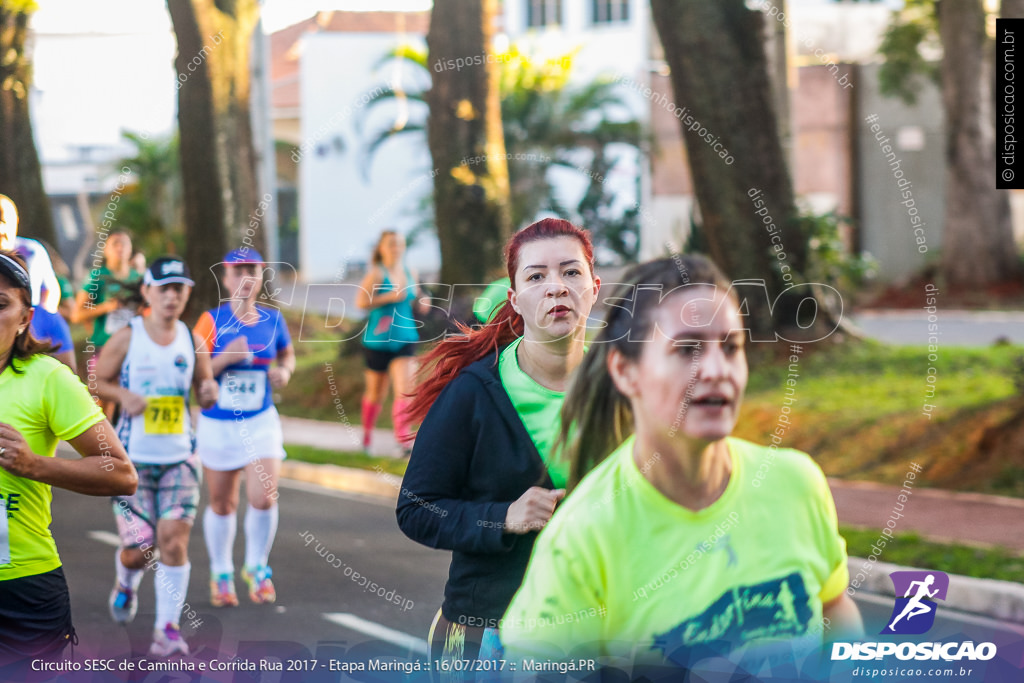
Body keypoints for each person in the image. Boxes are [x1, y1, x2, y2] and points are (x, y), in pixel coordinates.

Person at [501, 256, 864, 672]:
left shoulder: (795, 483)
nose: (715, 370)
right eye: (688, 349)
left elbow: (836, 610)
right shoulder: (582, 537)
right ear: (625, 371)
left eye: (731, 348)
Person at [396, 218, 601, 668]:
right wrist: (501, 518)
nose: (556, 288)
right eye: (536, 276)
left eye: (571, 272)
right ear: (515, 299)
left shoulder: (620, 393)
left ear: (594, 287)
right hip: (486, 635)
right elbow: (415, 508)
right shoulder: (474, 392)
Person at [0, 250, 137, 666]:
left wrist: (34, 464)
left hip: (21, 589)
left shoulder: (47, 379)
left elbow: (121, 474)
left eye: (1, 305)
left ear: (25, 317)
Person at [93, 256, 218, 657]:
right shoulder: (128, 337)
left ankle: (167, 630)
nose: (172, 296)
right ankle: (126, 582)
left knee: (173, 541)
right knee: (140, 549)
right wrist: (121, 395)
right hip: (130, 462)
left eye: (179, 289)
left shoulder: (190, 338)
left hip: (181, 457)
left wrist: (210, 393)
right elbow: (95, 380)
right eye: (164, 288)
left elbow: (204, 385)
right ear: (147, 291)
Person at [193, 248, 295, 607]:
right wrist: (225, 360)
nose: (244, 277)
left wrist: (284, 371)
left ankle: (257, 566)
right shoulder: (210, 321)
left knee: (264, 496)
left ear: (261, 274)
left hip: (260, 420)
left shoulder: (272, 319)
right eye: (237, 271)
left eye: (251, 269)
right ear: (226, 278)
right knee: (222, 503)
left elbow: (287, 354)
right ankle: (221, 572)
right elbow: (196, 374)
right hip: (219, 423)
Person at [356, 231, 428, 456]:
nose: (396, 247)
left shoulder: (410, 272)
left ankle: (403, 441)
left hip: (405, 338)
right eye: (391, 244)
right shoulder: (377, 274)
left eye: (399, 243)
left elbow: (416, 297)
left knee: (405, 390)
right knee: (376, 393)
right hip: (378, 341)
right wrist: (389, 297)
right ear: (382, 248)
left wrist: (424, 300)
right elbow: (361, 302)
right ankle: (367, 437)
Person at [71, 229, 140, 349]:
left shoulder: (139, 278)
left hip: (135, 346)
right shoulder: (96, 277)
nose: (120, 248)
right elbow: (76, 315)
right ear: (105, 249)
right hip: (105, 347)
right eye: (115, 244)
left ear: (130, 248)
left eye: (124, 243)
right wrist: (106, 307)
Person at [0, 195, 60, 314]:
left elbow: (50, 291)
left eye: (4, 221)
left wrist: (40, 319)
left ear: (16, 221)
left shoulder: (32, 251)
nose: (1, 230)